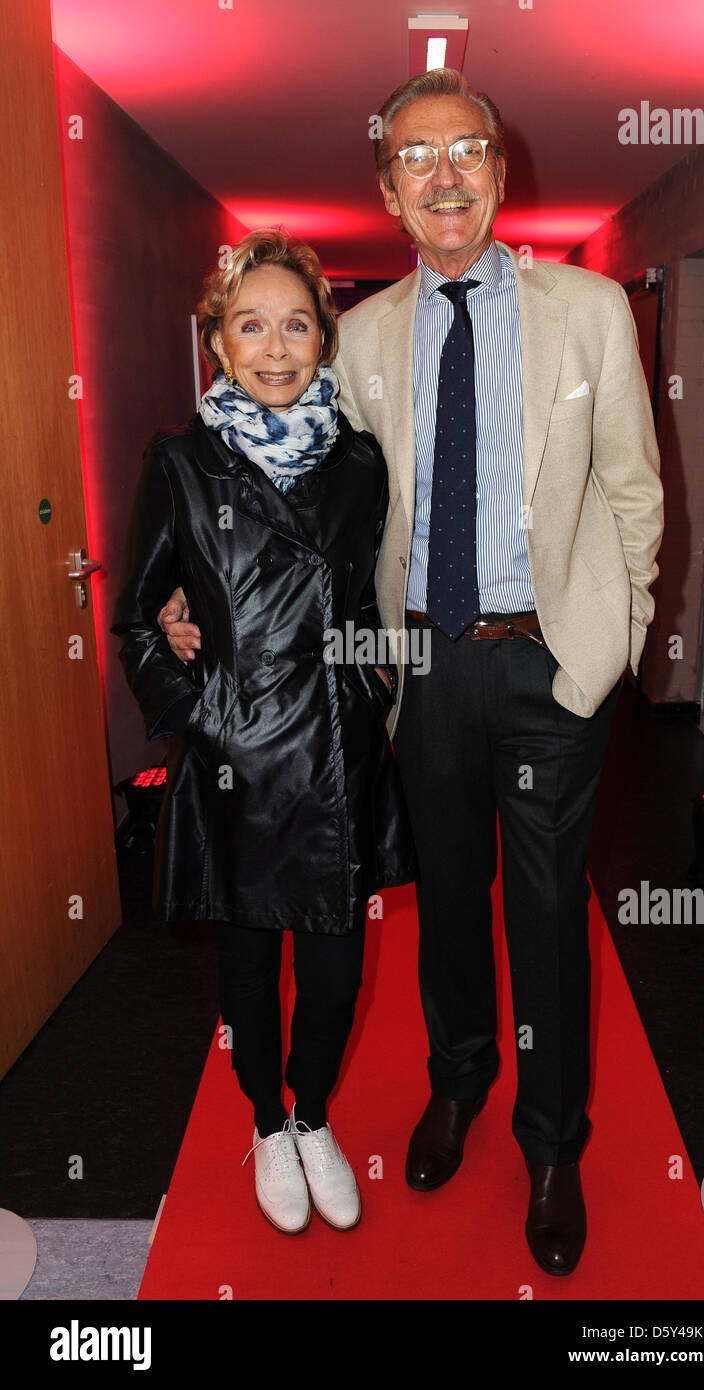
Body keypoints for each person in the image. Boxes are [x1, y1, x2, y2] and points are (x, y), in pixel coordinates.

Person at [160, 68, 664, 1276]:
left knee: (542, 916)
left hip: (547, 666)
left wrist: (613, 638)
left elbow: (638, 494)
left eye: (469, 151)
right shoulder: (365, 334)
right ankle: (458, 1085)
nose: (447, 174)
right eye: (419, 156)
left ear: (500, 169)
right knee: (444, 899)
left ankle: (552, 1145)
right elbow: (295, 475)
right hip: (417, 670)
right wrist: (191, 584)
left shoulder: (591, 310)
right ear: (389, 186)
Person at [111, 229, 415, 1236]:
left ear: (324, 339)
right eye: (251, 326)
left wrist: (378, 682)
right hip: (236, 758)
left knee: (336, 970)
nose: (275, 348)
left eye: (296, 325)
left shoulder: (361, 462)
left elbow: (376, 592)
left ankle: (314, 1112)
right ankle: (264, 1121)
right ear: (217, 341)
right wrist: (197, 711)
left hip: (335, 750)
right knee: (248, 966)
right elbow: (136, 613)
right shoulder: (180, 462)